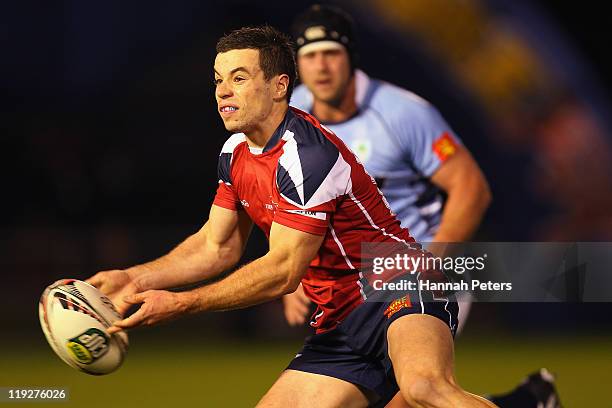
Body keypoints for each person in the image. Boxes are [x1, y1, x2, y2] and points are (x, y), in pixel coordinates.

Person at [87, 25, 498, 408]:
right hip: (340, 319)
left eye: (240, 78)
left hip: (398, 285)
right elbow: (218, 245)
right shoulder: (235, 153)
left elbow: (283, 271)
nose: (223, 92)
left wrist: (181, 304)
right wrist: (135, 278)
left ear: (279, 86)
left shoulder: (307, 155)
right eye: (218, 79)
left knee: (424, 386)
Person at [285, 5, 561, 408]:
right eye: (311, 55)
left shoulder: (401, 112)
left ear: (351, 57)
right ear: (297, 63)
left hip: (417, 270)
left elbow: (471, 187)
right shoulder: (294, 116)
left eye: (332, 53)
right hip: (353, 284)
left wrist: (433, 259)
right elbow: (290, 198)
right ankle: (528, 401)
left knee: (415, 394)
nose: (322, 66)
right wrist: (293, 269)